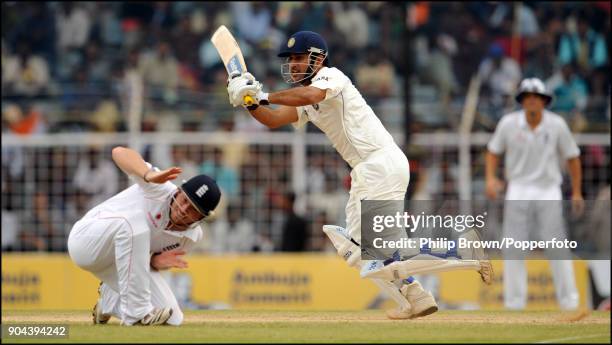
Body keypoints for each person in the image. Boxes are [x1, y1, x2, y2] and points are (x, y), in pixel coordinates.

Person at [226, 31, 444, 319]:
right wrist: (249, 100)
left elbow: (312, 94)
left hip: (377, 165)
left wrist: (262, 95)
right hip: (377, 167)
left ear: (317, 59)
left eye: (299, 58)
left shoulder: (332, 77)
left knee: (357, 248)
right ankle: (416, 297)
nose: (292, 64)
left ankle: (461, 251)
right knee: (375, 252)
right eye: (290, 59)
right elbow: (274, 118)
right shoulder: (304, 100)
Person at [67, 146, 221, 326]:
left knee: (173, 318)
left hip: (115, 265)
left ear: (201, 218)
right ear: (178, 191)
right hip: (86, 240)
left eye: (193, 210)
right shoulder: (160, 187)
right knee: (134, 222)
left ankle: (109, 302)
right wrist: (147, 174)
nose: (183, 209)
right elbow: (119, 152)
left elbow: (140, 259)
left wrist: (154, 262)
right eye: (185, 200)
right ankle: (137, 314)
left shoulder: (192, 237)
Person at [485, 78, 583, 310]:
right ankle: (514, 304)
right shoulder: (509, 123)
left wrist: (577, 191)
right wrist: (490, 178)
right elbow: (492, 151)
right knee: (513, 246)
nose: (531, 101)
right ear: (521, 100)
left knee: (556, 245)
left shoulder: (557, 124)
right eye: (527, 96)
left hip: (548, 189)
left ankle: (570, 302)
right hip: (518, 188)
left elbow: (572, 157)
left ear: (544, 101)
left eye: (536, 97)